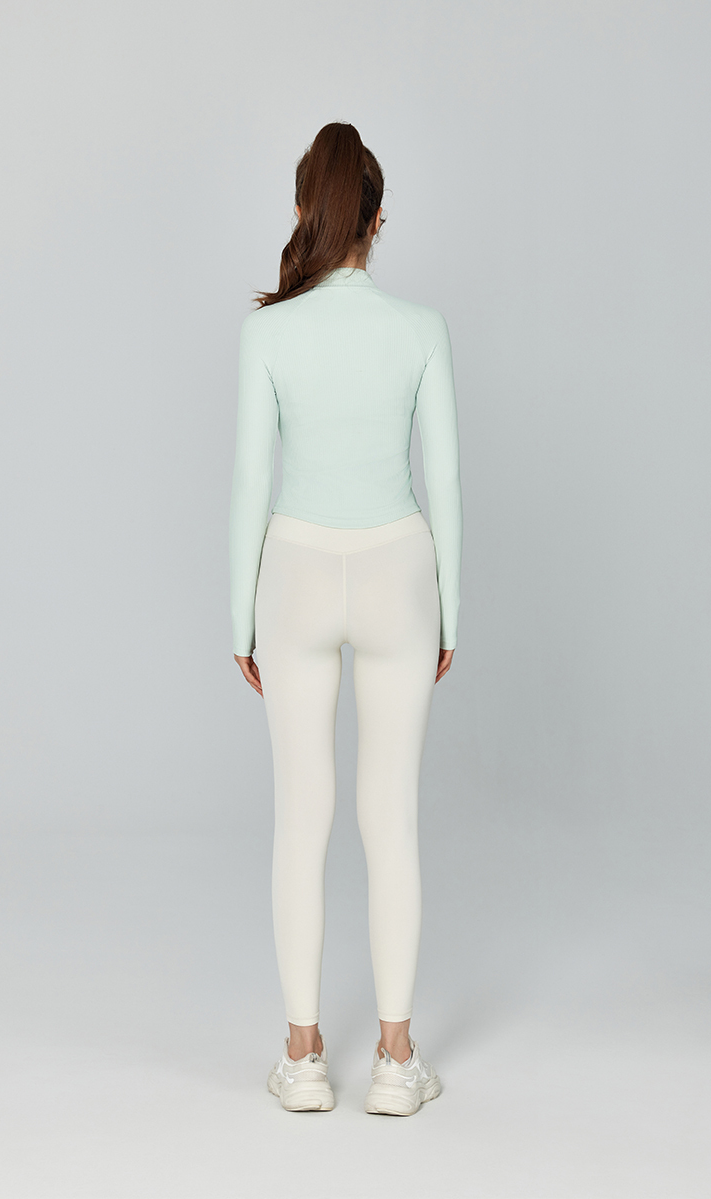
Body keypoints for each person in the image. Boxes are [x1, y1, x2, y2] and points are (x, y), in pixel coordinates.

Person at [228, 121, 463, 1115]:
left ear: (302, 212)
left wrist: (236, 621)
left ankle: (302, 1054)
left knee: (302, 815)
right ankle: (397, 1061)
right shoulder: (421, 328)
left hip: (292, 575)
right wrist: (451, 611)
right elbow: (443, 479)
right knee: (389, 815)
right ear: (376, 220)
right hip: (399, 572)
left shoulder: (267, 333)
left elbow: (252, 479)